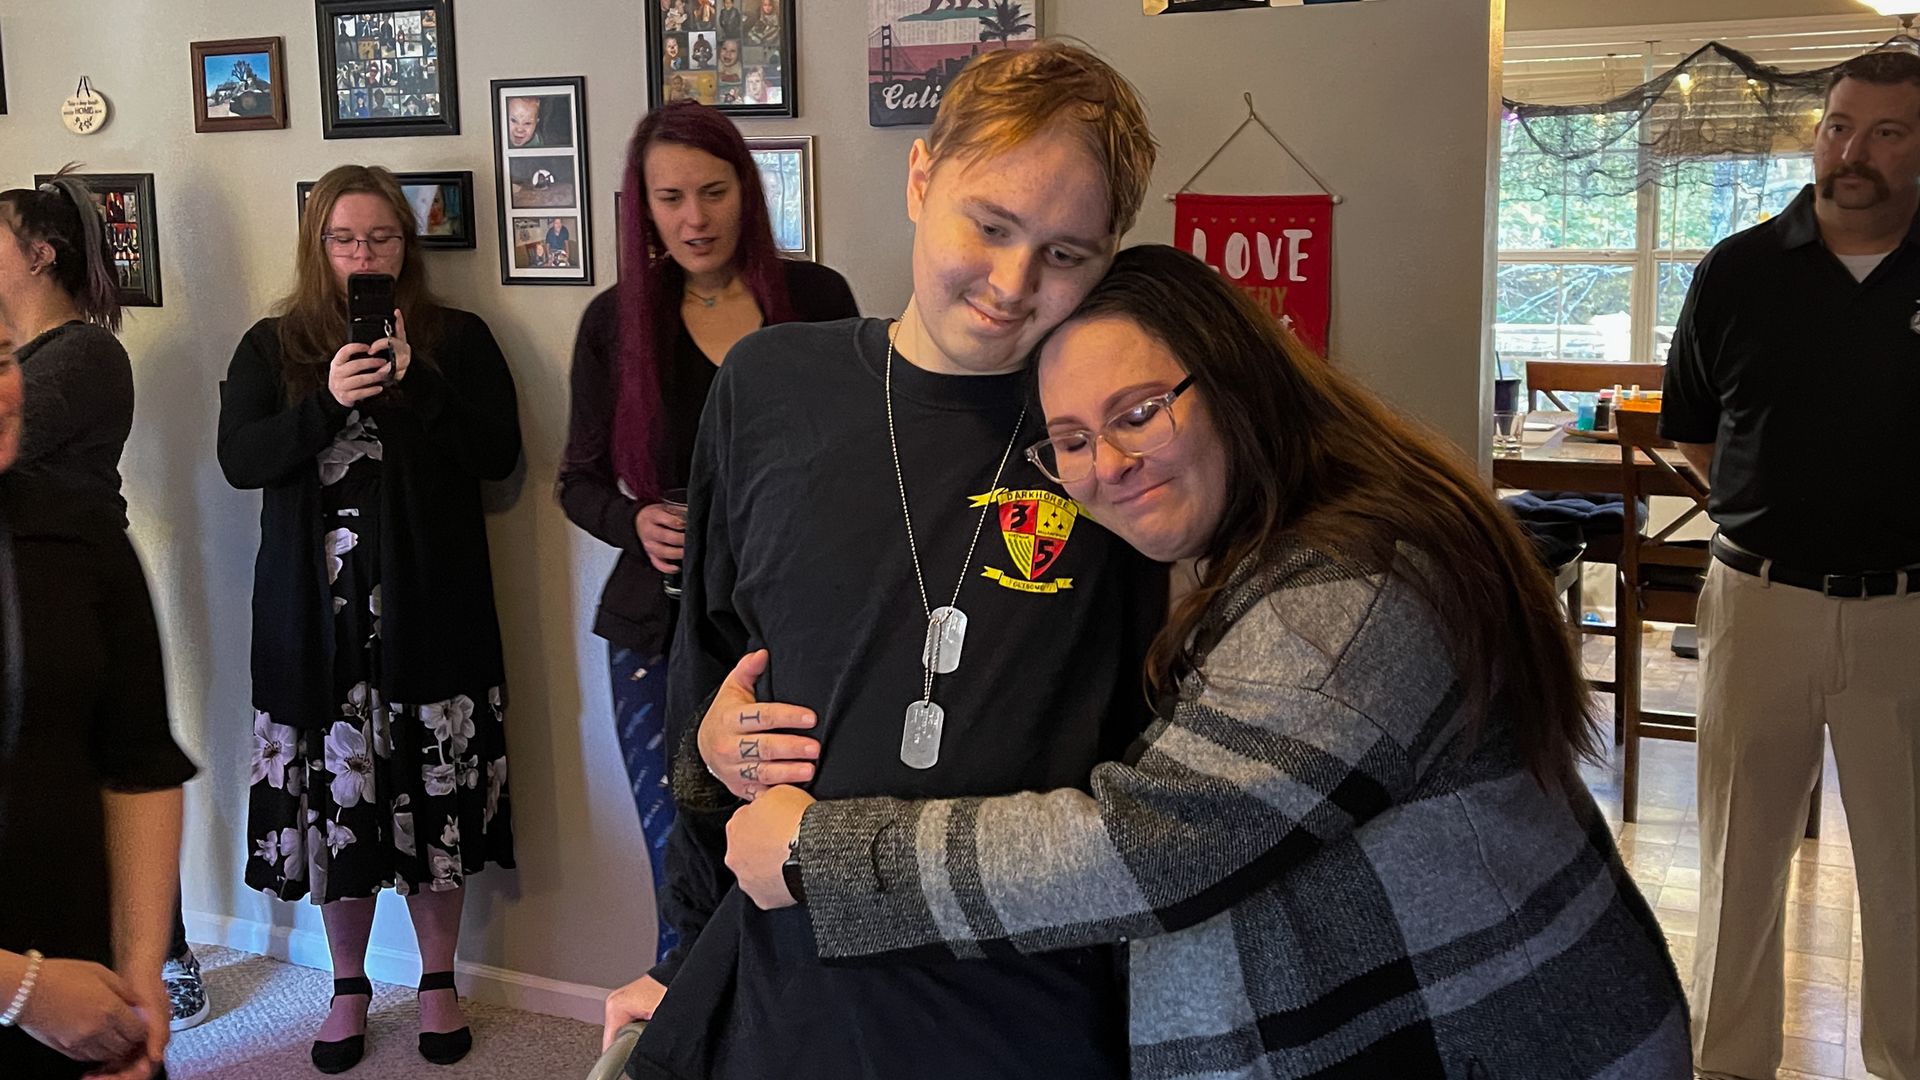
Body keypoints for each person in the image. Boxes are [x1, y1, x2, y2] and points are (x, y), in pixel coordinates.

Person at [718, 244, 1694, 1077]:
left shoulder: (1343, 604)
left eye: (1138, 412)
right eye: (1069, 442)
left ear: (1230, 376)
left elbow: (1152, 848)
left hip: (1500, 1039)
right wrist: (724, 744)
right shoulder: (1267, 547)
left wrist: (823, 858)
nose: (1106, 467)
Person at [620, 42, 1165, 1080]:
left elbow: (1143, 748)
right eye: (991, 226)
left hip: (1023, 1004)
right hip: (796, 986)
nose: (1012, 283)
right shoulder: (768, 386)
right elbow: (704, 689)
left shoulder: (1108, 439)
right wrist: (681, 954)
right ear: (922, 181)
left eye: (1065, 254)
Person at [558, 100, 857, 1049]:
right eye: (671, 197)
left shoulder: (817, 298)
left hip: (802, 628)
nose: (695, 218)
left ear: (748, 192)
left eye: (714, 192)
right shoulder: (614, 322)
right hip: (658, 636)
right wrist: (632, 518)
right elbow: (575, 479)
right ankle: (692, 1050)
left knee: (800, 856)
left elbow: (864, 454)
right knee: (682, 870)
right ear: (641, 207)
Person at [216, 165, 520, 1074]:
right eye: (344, 240)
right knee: (333, 811)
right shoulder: (270, 347)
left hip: (432, 621)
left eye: (379, 240)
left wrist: (416, 384)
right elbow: (241, 459)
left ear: (405, 248)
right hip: (316, 632)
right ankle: (348, 987)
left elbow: (499, 455)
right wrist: (329, 402)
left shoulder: (457, 341)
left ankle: (436, 981)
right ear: (318, 247)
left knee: (434, 809)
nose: (361, 256)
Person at [1659, 49, 1920, 1080]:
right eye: (1839, 126)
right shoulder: (1739, 269)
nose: (1853, 153)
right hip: (1759, 603)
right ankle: (1728, 1067)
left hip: (1907, 616)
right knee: (1738, 864)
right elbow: (1690, 428)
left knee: (1906, 873)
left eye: (1887, 132)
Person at [0, 174, 214, 1036]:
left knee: (88, 783)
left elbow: (146, 773)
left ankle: (167, 955)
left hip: (74, 604)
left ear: (39, 253)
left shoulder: (84, 353)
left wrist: (130, 984)